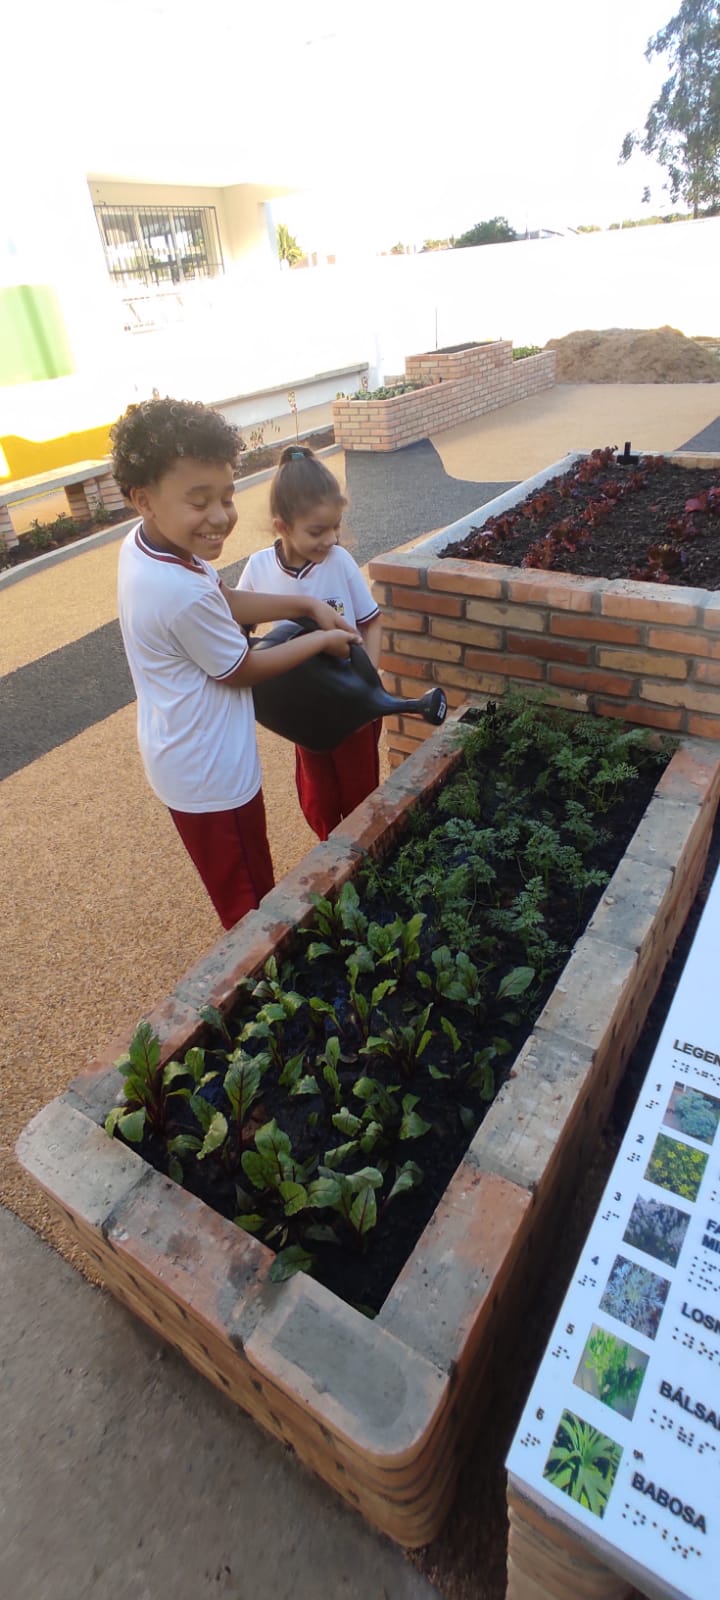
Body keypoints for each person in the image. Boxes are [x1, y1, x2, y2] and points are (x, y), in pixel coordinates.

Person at [113, 398, 359, 929]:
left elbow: (224, 597)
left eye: (227, 496)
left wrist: (305, 605)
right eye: (199, 501)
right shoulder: (175, 591)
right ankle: (267, 974)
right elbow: (242, 668)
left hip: (184, 751)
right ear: (143, 498)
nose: (221, 516)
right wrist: (320, 640)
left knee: (248, 883)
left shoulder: (154, 545)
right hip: (211, 774)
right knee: (250, 908)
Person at [237, 446, 383, 840]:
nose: (331, 539)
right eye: (317, 532)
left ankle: (365, 851)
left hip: (352, 700)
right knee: (318, 793)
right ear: (282, 526)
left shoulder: (339, 561)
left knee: (360, 790)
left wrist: (368, 685)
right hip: (303, 708)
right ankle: (329, 850)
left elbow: (372, 622)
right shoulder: (259, 568)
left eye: (336, 526)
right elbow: (237, 629)